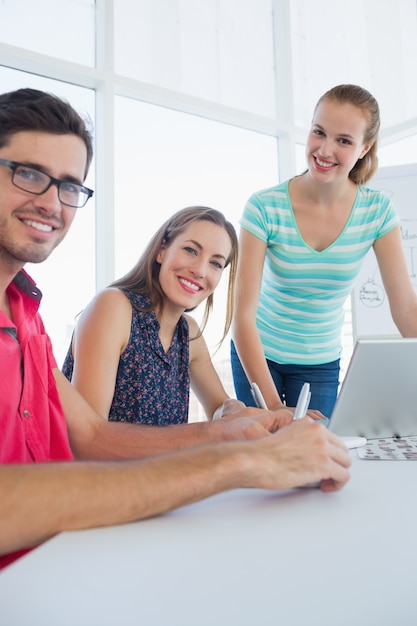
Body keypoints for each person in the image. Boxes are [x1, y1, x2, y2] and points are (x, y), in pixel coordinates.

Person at [0, 87, 351, 571]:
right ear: (162, 249)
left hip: (76, 540)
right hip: (90, 525)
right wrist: (236, 452)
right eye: (29, 173)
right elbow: (91, 445)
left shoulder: (28, 315)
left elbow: (102, 431)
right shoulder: (113, 307)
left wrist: (254, 422)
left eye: (69, 187)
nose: (52, 203)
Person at [231, 84, 417, 418]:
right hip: (257, 352)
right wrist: (275, 408)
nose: (325, 149)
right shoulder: (264, 207)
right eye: (319, 132)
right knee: (261, 456)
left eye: (344, 140)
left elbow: (405, 307)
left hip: (319, 364)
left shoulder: (377, 212)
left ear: (364, 148)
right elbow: (242, 316)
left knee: (313, 463)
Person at [62, 206, 242, 424]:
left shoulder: (189, 333)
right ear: (162, 250)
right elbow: (87, 434)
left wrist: (230, 409)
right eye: (191, 251)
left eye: (215, 263)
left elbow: (218, 407)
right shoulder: (113, 307)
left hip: (163, 459)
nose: (200, 271)